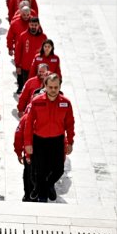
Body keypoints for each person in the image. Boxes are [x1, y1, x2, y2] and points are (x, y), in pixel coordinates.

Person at [24, 74, 75, 202]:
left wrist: (70, 142)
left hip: (57, 141)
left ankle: (48, 184)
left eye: (56, 87)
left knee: (59, 169)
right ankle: (40, 192)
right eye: (50, 87)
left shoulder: (66, 103)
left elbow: (70, 123)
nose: (53, 90)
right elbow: (29, 124)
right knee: (39, 171)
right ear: (45, 86)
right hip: (39, 140)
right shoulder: (36, 102)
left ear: (59, 87)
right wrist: (28, 143)